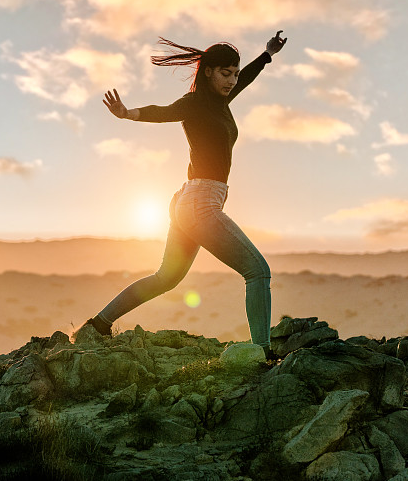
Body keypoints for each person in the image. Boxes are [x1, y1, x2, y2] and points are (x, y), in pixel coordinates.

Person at [80, 31, 288, 356]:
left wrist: (266, 54)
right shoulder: (195, 104)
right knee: (258, 271)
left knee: (166, 277)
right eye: (225, 73)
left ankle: (97, 325)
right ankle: (261, 352)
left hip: (188, 203)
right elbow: (163, 111)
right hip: (200, 204)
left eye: (234, 73)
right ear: (208, 72)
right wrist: (128, 113)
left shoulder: (220, 102)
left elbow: (245, 79)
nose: (232, 80)